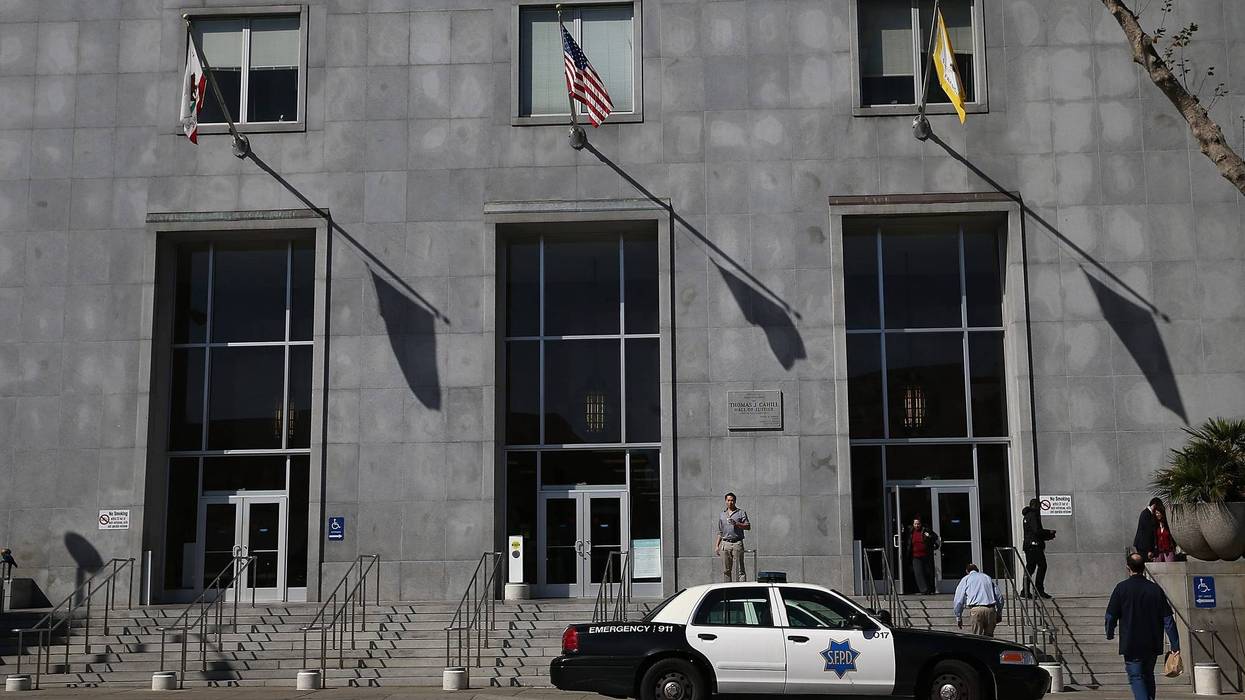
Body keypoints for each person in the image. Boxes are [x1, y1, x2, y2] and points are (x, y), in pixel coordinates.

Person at [1106, 553, 1180, 700]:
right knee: (1148, 675)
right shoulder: (1155, 589)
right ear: (1144, 567)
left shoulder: (1121, 588)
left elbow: (1110, 616)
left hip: (1131, 642)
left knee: (1136, 677)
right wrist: (1175, 644)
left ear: (1128, 567)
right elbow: (1168, 620)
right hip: (1152, 642)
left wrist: (1109, 632)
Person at [952, 563, 1003, 637]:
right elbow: (999, 596)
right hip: (990, 609)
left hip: (976, 610)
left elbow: (959, 599)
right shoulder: (986, 577)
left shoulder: (966, 579)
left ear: (967, 571)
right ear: (977, 570)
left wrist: (958, 617)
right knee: (990, 638)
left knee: (977, 638)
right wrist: (999, 612)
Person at [1021, 498, 1056, 598]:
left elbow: (1033, 532)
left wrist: (1047, 536)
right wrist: (1048, 532)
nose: (1039, 509)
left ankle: (1026, 590)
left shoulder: (1027, 516)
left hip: (1030, 545)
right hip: (1034, 546)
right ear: (1035, 506)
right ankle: (1038, 589)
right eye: (1039, 507)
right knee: (1042, 566)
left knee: (1030, 568)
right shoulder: (1033, 516)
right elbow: (1037, 531)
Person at [713, 492, 750, 582]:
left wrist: (736, 524)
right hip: (725, 543)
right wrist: (717, 546)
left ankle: (742, 590)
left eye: (732, 500)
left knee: (740, 569)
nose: (730, 502)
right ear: (725, 501)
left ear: (735, 501)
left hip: (737, 542)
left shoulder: (741, 513)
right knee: (726, 570)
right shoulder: (722, 514)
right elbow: (720, 531)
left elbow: (748, 526)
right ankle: (728, 591)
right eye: (728, 500)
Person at [902, 516, 940, 595]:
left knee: (928, 572)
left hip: (926, 555)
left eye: (918, 524)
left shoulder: (926, 531)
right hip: (915, 556)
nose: (917, 525)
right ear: (913, 524)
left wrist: (930, 539)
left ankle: (930, 589)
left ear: (921, 524)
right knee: (918, 573)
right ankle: (924, 590)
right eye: (915, 524)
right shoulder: (910, 532)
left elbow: (934, 537)